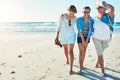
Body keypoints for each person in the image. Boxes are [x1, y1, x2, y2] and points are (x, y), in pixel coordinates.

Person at [92, 1, 115, 77]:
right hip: (96, 37)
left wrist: (106, 4)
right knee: (100, 53)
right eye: (98, 8)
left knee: (101, 52)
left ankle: (97, 63)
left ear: (105, 9)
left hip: (106, 38)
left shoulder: (109, 16)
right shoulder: (95, 17)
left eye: (100, 7)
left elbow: (112, 9)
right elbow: (91, 27)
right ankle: (102, 70)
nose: (98, 9)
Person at [55, 5, 77, 74]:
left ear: (75, 12)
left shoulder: (75, 18)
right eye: (70, 12)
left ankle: (71, 68)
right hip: (63, 35)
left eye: (73, 12)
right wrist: (57, 37)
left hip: (72, 35)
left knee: (71, 51)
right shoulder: (62, 16)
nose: (71, 13)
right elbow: (59, 26)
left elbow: (77, 27)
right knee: (65, 49)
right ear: (68, 10)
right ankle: (67, 59)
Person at [77, 6, 94, 73]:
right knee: (81, 52)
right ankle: (80, 68)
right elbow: (79, 30)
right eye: (84, 12)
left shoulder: (91, 20)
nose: (86, 13)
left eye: (87, 12)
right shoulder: (79, 20)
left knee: (84, 52)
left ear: (89, 12)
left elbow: (90, 30)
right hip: (80, 36)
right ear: (82, 12)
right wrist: (83, 40)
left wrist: (86, 40)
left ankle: (82, 65)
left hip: (87, 36)